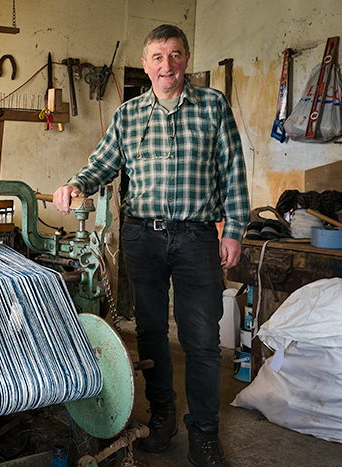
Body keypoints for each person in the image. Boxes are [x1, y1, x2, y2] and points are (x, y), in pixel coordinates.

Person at [53, 24, 249, 467]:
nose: (167, 66)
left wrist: (234, 229)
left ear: (186, 59)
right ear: (146, 64)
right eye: (158, 57)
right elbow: (101, 164)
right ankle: (163, 417)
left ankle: (203, 432)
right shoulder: (127, 114)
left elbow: (234, 171)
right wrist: (74, 185)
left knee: (201, 339)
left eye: (175, 56)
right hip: (142, 236)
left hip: (198, 236)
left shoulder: (213, 107)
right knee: (151, 332)